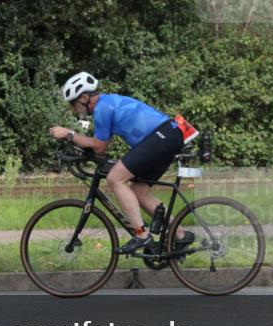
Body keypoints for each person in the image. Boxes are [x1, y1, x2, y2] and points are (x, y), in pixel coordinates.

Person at [49, 71, 197, 254]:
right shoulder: (107, 103)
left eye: (74, 104)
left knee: (115, 179)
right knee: (138, 191)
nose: (73, 109)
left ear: (85, 97)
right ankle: (181, 235)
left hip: (163, 136)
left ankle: (142, 235)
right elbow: (101, 147)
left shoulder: (102, 109)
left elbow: (99, 147)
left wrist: (68, 134)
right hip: (170, 134)